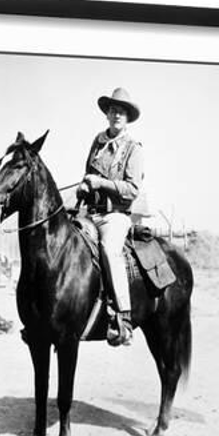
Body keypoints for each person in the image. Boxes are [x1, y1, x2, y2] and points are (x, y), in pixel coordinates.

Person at [77, 87, 145, 346]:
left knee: (109, 249)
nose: (117, 115)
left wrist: (101, 183)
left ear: (127, 118)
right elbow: (88, 174)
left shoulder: (133, 148)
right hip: (90, 214)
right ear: (107, 113)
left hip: (115, 216)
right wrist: (85, 186)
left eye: (122, 112)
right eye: (113, 110)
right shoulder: (98, 142)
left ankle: (122, 318)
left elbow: (133, 189)